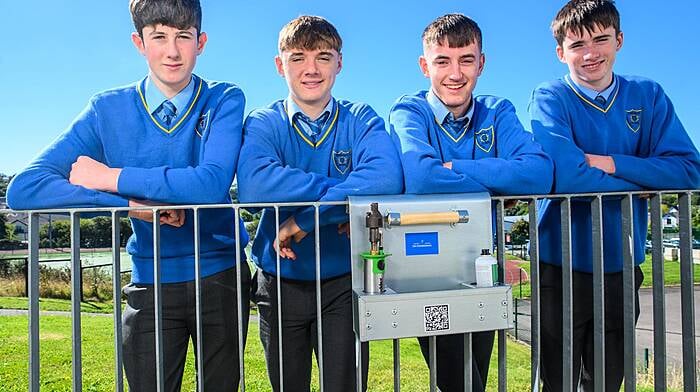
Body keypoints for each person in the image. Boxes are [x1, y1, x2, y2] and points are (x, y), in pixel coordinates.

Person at [6, 0, 251, 390]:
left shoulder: (223, 99)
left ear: (200, 42)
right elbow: (26, 189)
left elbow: (210, 184)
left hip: (221, 273)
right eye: (159, 37)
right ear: (139, 42)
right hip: (151, 279)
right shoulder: (106, 109)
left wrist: (110, 176)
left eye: (183, 37)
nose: (172, 51)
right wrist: (130, 207)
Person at [528, 1, 700, 390]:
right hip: (559, 266)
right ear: (561, 53)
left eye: (601, 39)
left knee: (608, 379)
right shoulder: (550, 97)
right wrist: (645, 179)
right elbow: (566, 177)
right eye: (577, 45)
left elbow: (688, 170)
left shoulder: (648, 95)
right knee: (555, 379)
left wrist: (609, 162)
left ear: (619, 40)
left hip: (621, 266)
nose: (590, 54)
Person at [237, 15, 403, 392]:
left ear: (339, 63)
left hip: (344, 282)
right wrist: (345, 196)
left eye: (323, 56)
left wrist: (306, 220)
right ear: (280, 65)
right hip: (279, 282)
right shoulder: (263, 122)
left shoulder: (360, 118)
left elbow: (387, 178)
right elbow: (254, 185)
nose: (311, 69)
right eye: (298, 57)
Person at [388, 13, 553, 392]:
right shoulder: (409, 110)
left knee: (474, 371)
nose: (455, 73)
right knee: (458, 380)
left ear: (481, 62)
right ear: (424, 65)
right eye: (442, 61)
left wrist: (454, 167)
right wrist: (496, 185)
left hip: (483, 269)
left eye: (466, 59)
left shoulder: (498, 111)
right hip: (429, 268)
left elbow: (538, 174)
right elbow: (421, 176)